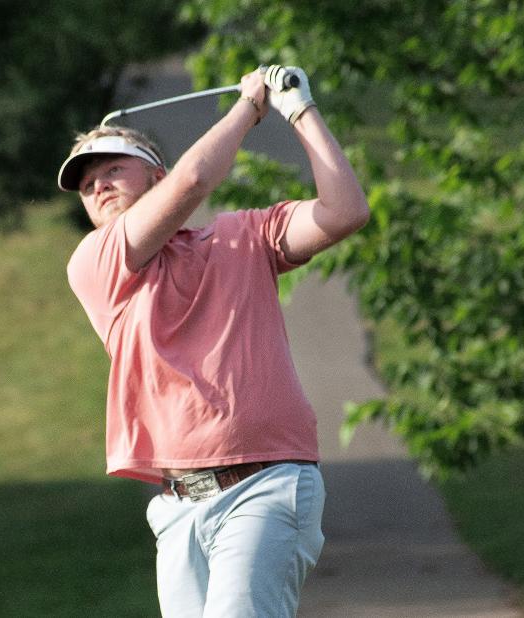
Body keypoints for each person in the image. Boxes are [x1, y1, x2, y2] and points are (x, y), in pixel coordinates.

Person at [58, 65, 369, 617]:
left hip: (266, 482)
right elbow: (194, 180)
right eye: (86, 185)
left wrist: (299, 109)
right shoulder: (98, 262)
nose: (98, 185)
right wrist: (248, 107)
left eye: (111, 169)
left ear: (154, 178)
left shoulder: (242, 236)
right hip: (178, 507)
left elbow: (344, 211)